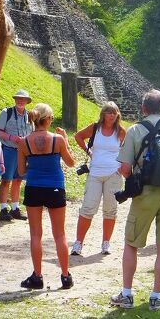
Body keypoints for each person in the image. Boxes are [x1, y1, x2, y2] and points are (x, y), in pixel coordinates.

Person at [109, 90, 160, 312]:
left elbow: (125, 168)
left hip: (144, 193)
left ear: (143, 109)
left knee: (132, 243)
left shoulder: (135, 130)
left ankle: (126, 294)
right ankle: (156, 296)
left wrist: (135, 178)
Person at [17, 103, 75, 290]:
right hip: (55, 188)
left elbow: (20, 170)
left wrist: (36, 165)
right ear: (48, 119)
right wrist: (66, 140)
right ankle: (65, 276)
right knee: (59, 234)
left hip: (34, 187)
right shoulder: (57, 139)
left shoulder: (24, 142)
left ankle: (37, 276)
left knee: (35, 234)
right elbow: (71, 163)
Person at [70, 101, 126, 256]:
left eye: (115, 113)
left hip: (113, 174)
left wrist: (122, 164)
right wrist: (90, 153)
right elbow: (78, 136)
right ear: (103, 114)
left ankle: (106, 243)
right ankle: (78, 243)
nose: (112, 116)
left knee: (110, 210)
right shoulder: (95, 128)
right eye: (109, 112)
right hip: (95, 173)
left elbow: (127, 149)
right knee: (88, 208)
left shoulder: (121, 131)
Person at [0, 89, 33, 221]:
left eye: (23, 99)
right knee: (6, 180)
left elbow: (32, 134)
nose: (20, 101)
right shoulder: (7, 113)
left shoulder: (30, 116)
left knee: (18, 180)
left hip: (23, 153)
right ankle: (3, 209)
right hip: (9, 150)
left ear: (27, 101)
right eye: (18, 98)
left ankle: (15, 208)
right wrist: (11, 137)